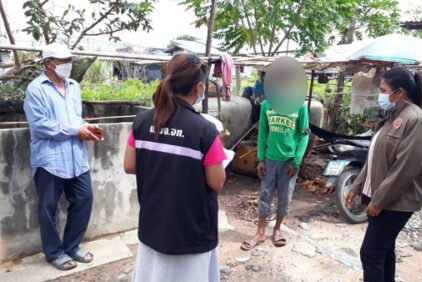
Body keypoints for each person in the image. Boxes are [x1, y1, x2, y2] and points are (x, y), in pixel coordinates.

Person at [123, 53, 227, 282]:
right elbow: (216, 182)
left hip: (153, 225)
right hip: (191, 231)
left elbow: (130, 165)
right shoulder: (205, 130)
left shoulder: (141, 122)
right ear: (199, 87)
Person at [345, 67, 422, 282]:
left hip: (395, 202)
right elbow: (375, 158)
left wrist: (379, 201)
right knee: (384, 251)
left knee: (370, 253)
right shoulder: (391, 117)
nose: (380, 95)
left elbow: (406, 168)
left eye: (384, 90)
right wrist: (356, 187)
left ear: (399, 92)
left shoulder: (416, 121)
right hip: (380, 197)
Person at [23, 43, 100, 271]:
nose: (69, 64)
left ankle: (72, 246)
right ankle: (55, 252)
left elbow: (75, 119)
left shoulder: (74, 86)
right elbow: (40, 126)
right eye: (64, 60)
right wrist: (76, 130)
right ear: (49, 63)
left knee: (84, 199)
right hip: (50, 159)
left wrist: (87, 127)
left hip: (76, 157)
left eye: (70, 60)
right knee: (48, 208)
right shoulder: (36, 89)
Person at [241, 98, 309, 250]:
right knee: (265, 194)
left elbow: (304, 135)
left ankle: (277, 229)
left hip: (289, 161)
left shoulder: (300, 105)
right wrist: (260, 159)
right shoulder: (267, 104)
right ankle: (260, 232)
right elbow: (263, 133)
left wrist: (296, 161)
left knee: (285, 197)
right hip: (270, 159)